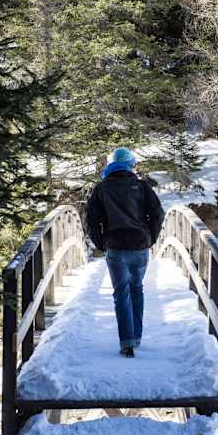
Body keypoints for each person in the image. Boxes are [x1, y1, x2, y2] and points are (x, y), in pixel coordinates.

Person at [85, 147, 165, 358]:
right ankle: (136, 336)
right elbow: (157, 213)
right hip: (139, 245)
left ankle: (127, 342)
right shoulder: (141, 186)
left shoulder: (102, 189)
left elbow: (91, 220)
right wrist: (151, 237)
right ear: (130, 164)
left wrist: (101, 242)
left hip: (116, 246)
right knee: (136, 289)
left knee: (121, 292)